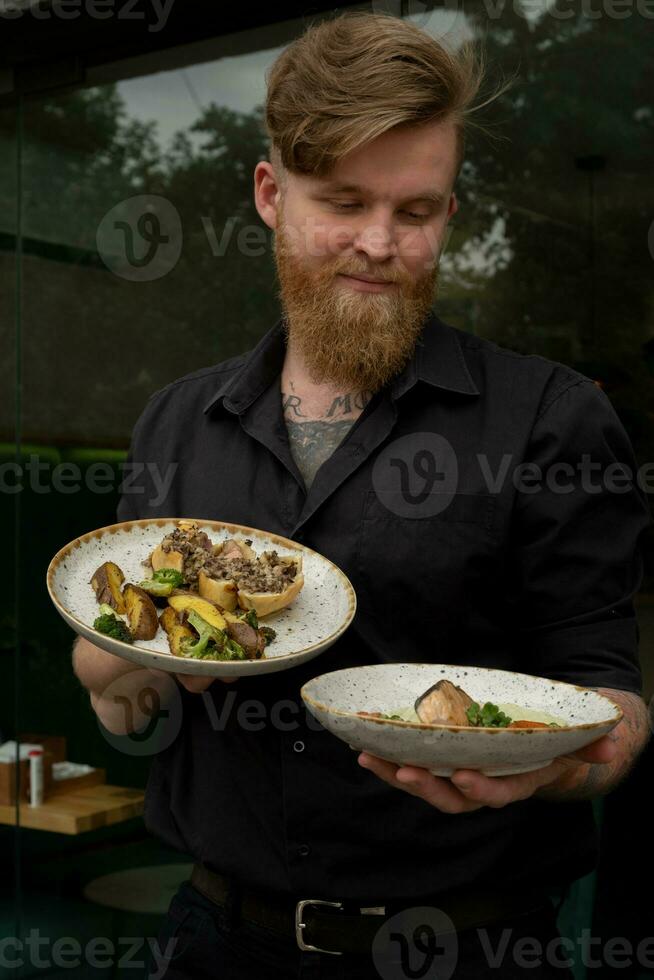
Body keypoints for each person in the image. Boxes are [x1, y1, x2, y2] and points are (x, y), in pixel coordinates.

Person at [72, 11, 651, 979]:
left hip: (470, 947)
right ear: (269, 193)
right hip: (216, 939)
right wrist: (117, 673)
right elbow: (134, 704)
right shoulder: (176, 421)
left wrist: (550, 763)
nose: (379, 243)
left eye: (415, 211)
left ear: (448, 213)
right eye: (342, 201)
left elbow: (610, 699)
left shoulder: (548, 417)